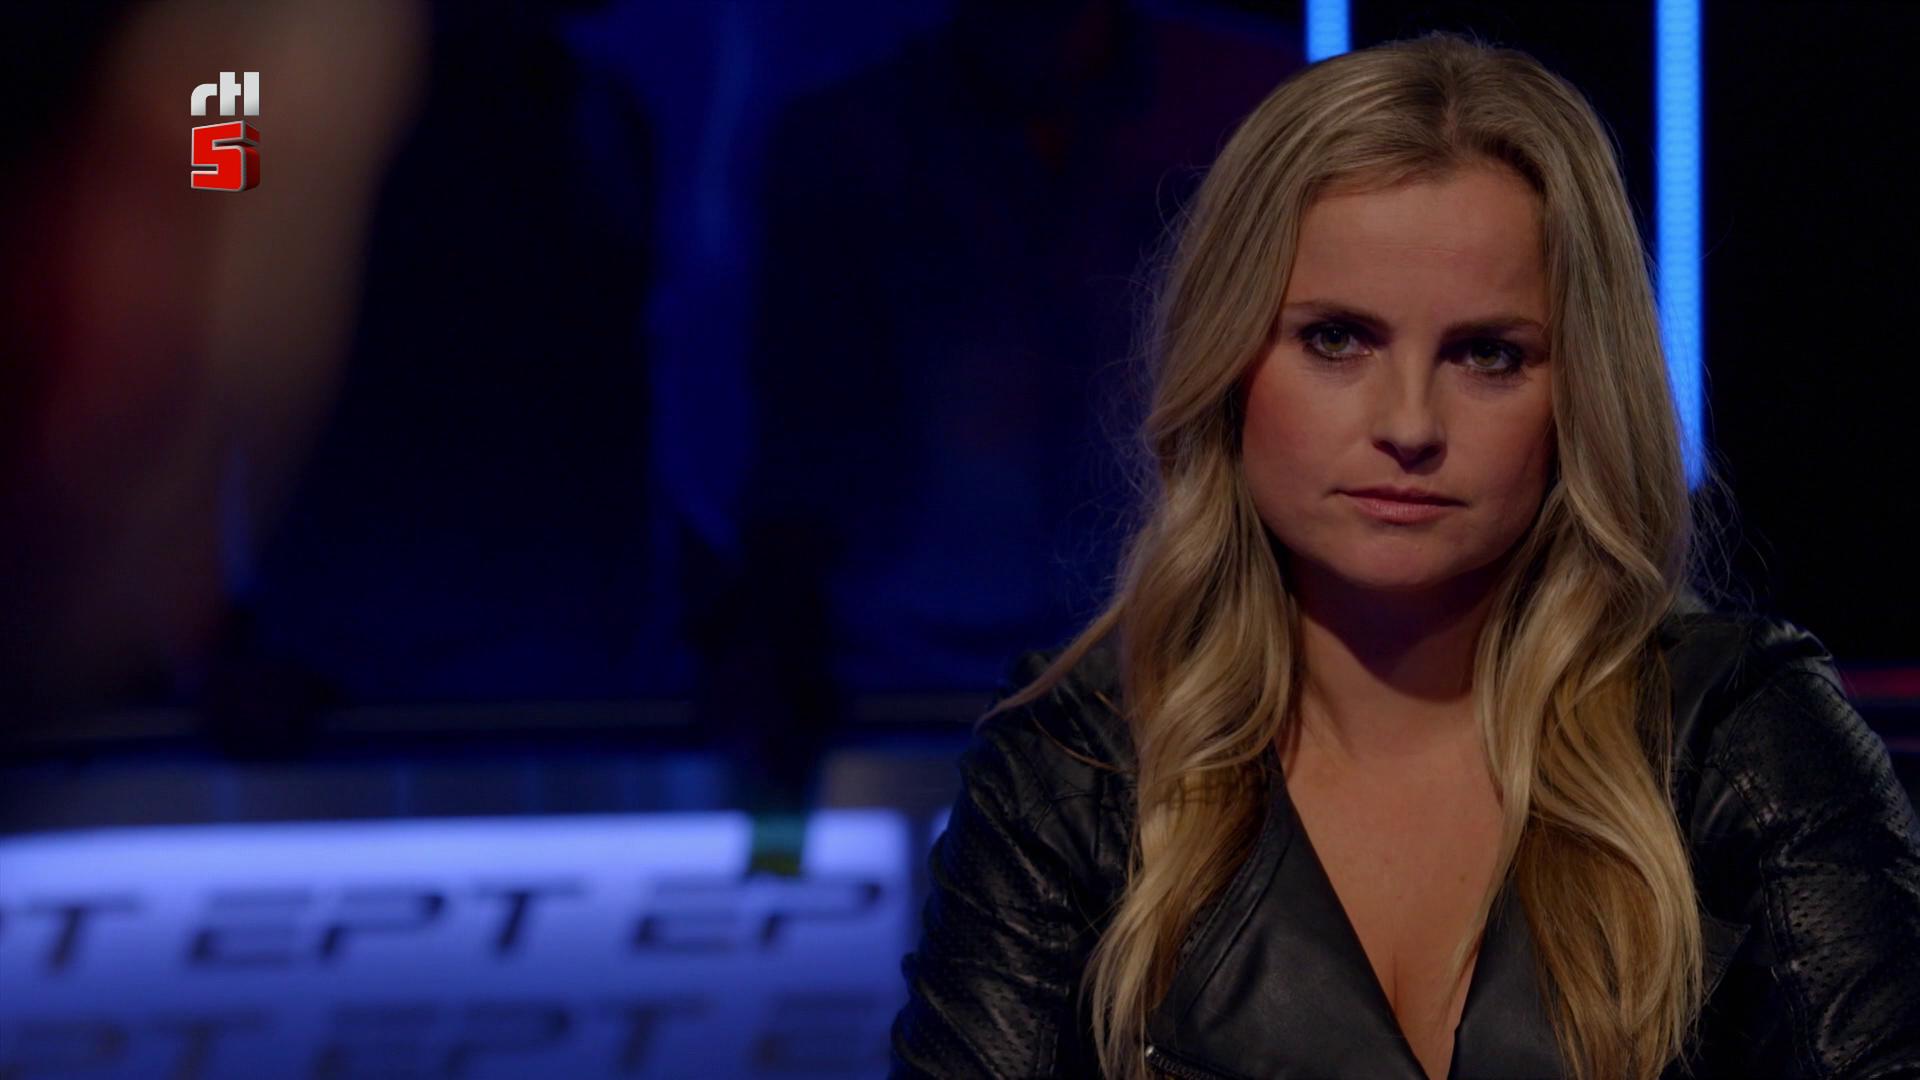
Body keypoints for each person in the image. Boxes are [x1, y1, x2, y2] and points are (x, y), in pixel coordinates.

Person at [887, 29, 1920, 1080]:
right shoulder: (1078, 769)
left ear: (1580, 391)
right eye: (1337, 339)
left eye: (1488, 354)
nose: (1410, 425)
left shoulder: (1741, 741)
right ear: (1229, 360)